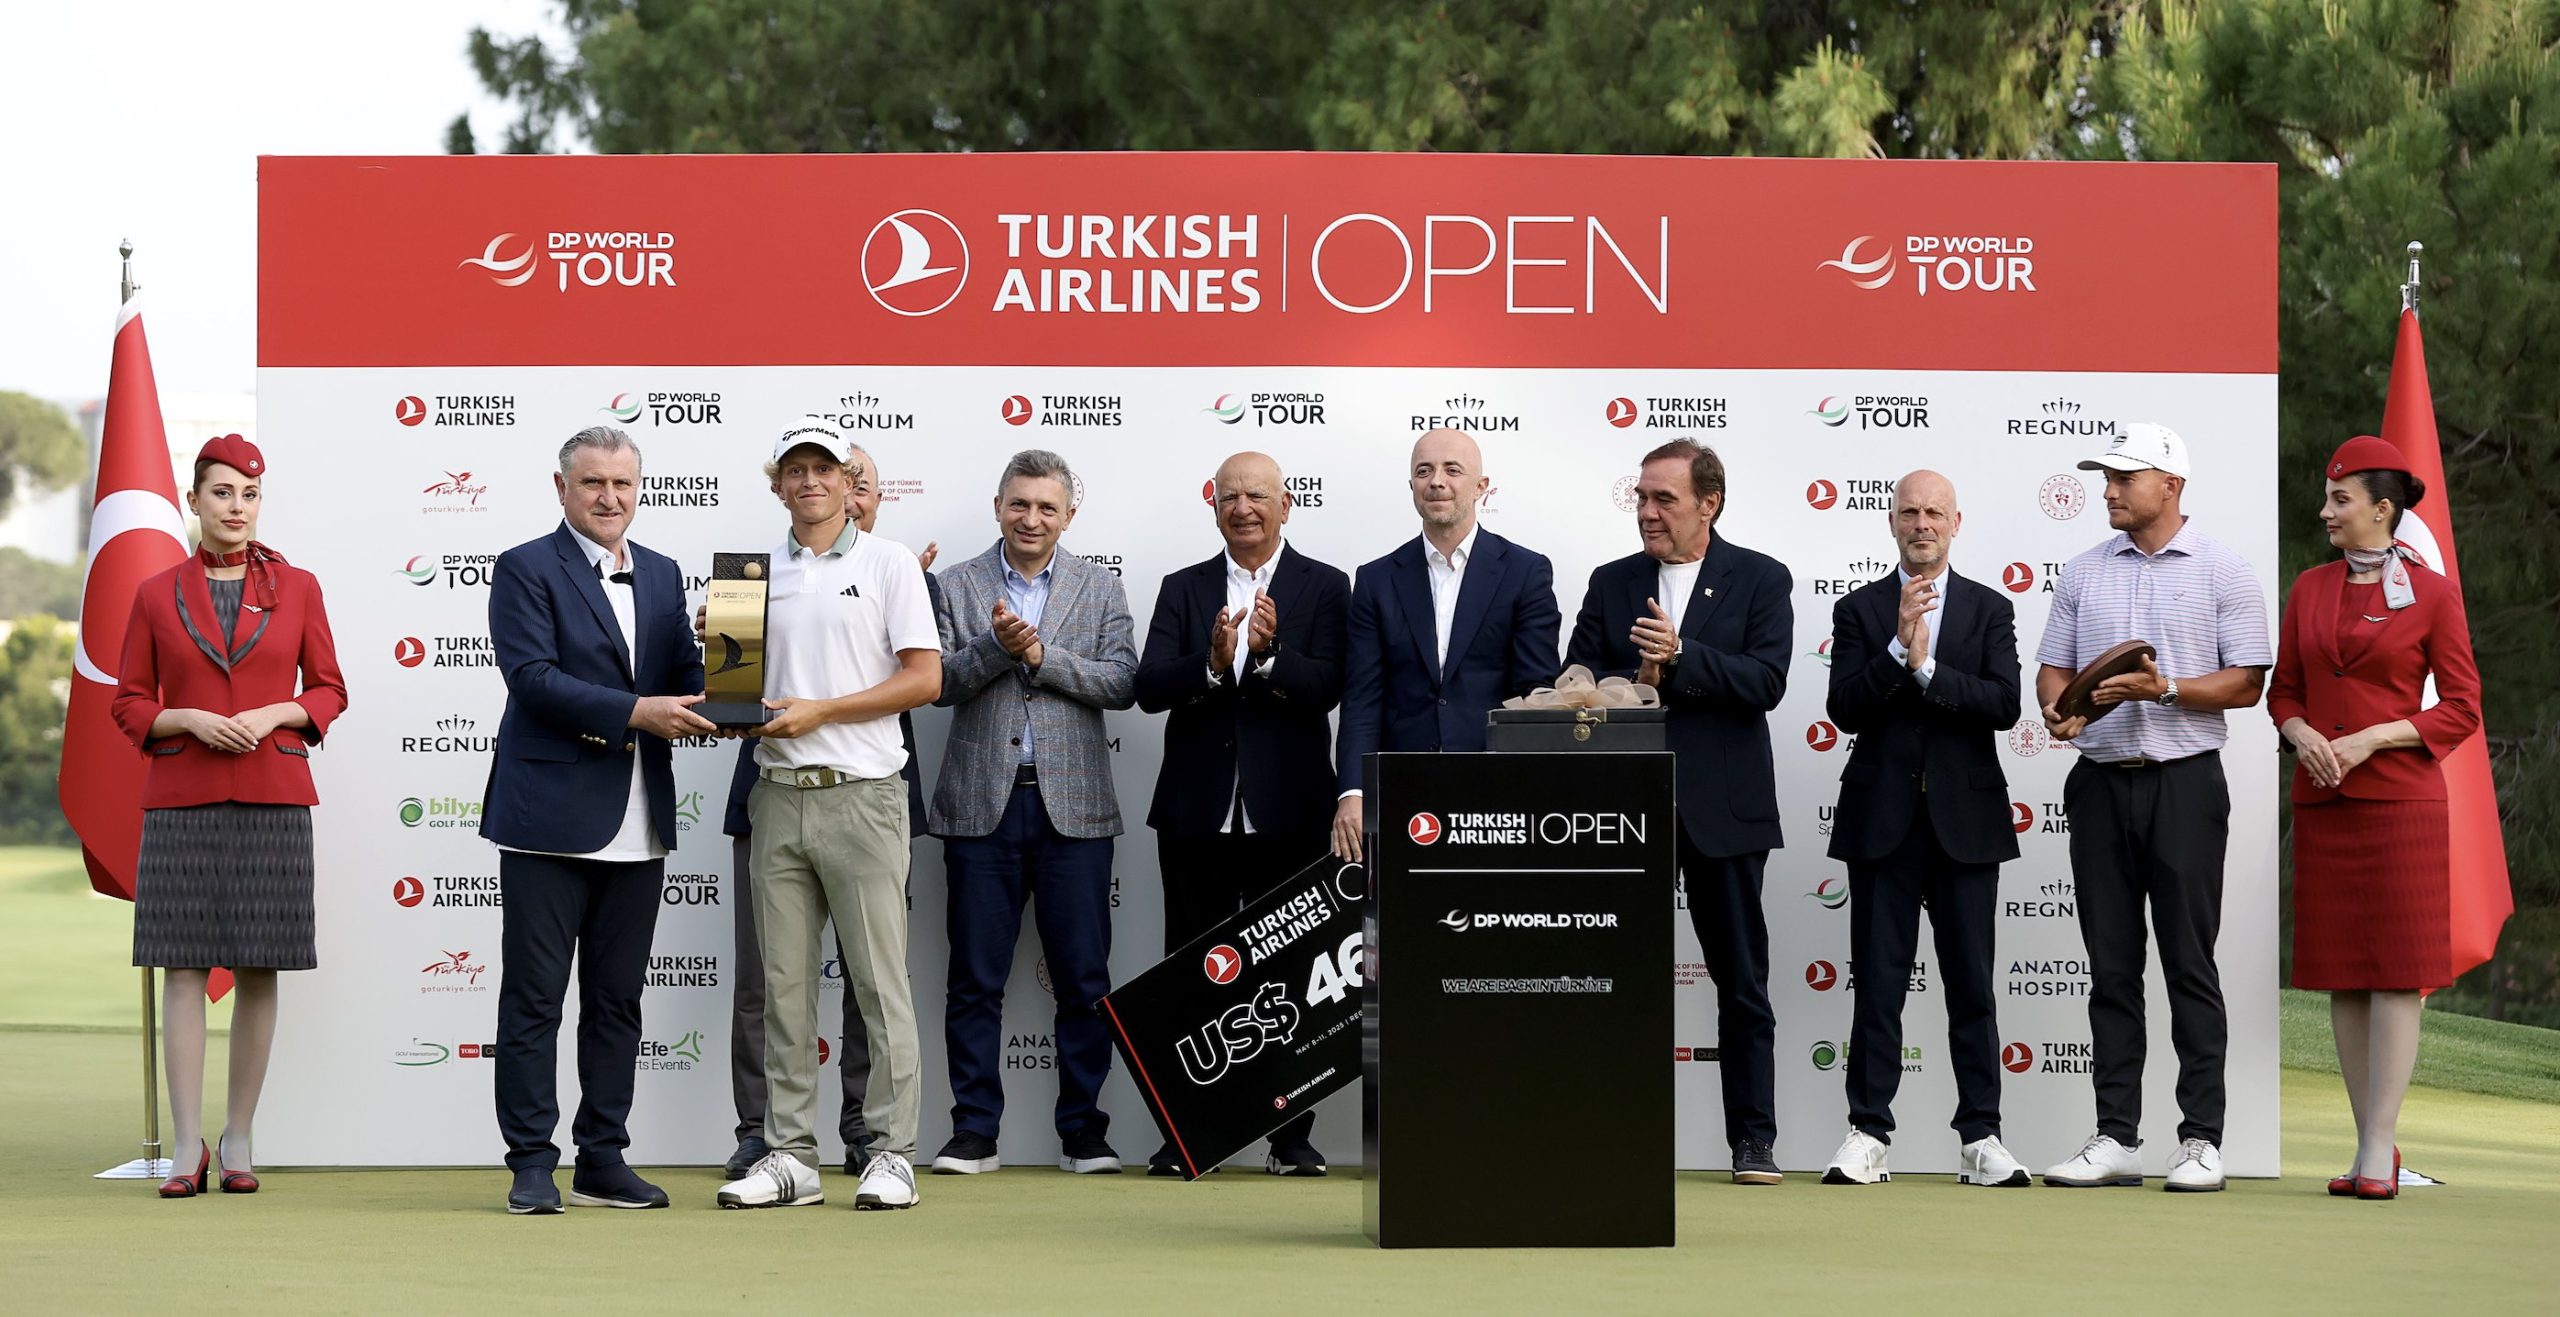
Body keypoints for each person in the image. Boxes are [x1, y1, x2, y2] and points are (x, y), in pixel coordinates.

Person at [2034, 422, 2271, 1193]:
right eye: (2106, 476)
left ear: (2170, 484)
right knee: (2110, 968)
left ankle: (2201, 1137)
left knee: (2188, 965)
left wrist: (2162, 688)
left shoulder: (2225, 569)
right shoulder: (2081, 572)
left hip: (2185, 783)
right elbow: (2054, 671)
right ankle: (2116, 1137)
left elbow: (2246, 684)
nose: (2107, 489)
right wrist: (2058, 712)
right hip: (2100, 783)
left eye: (2123, 477)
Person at [481, 426, 709, 1215]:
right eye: (593, 484)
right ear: (562, 487)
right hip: (547, 820)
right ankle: (532, 1162)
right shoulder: (524, 567)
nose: (609, 498)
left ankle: (603, 1154)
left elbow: (686, 678)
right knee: (536, 997)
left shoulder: (664, 572)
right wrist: (636, 711)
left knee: (617, 1000)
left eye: (622, 484)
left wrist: (729, 657)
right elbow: (532, 678)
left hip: (640, 821)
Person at [112, 435, 346, 1199]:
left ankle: (238, 1133)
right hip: (182, 799)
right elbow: (128, 703)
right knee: (181, 965)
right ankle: (187, 1145)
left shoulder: (300, 586)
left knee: (259, 962)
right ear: (195, 501)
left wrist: (278, 710)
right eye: (221, 493)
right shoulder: (155, 593)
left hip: (274, 796)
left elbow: (329, 691)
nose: (236, 507)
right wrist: (185, 718)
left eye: (248, 494)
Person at [717, 419, 942, 1211]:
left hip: (865, 794)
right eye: (794, 469)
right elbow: (735, 693)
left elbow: (923, 680)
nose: (810, 480)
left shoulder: (888, 563)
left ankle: (891, 1152)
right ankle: (790, 1154)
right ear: (777, 484)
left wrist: (824, 712)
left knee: (880, 983)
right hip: (776, 797)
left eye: (825, 468)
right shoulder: (746, 575)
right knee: (782, 987)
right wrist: (728, 710)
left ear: (851, 483)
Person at [1563, 439, 1789, 1185]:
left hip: (1723, 809)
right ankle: (1602, 1137)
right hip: (1623, 808)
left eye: (1664, 499)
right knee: (1606, 979)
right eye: (1641, 498)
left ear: (1708, 504)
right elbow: (1575, 679)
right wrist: (1634, 676)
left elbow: (1766, 681)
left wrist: (1684, 654)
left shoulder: (1759, 577)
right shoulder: (1611, 580)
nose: (1649, 512)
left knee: (1742, 982)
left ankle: (1753, 1142)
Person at [2269, 436, 2481, 1201]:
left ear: (2382, 510)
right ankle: (2368, 1143)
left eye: (2340, 500)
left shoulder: (2433, 594)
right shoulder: (2309, 588)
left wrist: (2369, 737)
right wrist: (2300, 734)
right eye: (2328, 498)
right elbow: (2283, 691)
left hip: (2402, 803)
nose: (2326, 512)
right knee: (2343, 977)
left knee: (2394, 975)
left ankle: (2379, 1145)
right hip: (2323, 801)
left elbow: (2461, 707)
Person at [1133, 450, 1350, 1177]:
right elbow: (1148, 685)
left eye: (1258, 495)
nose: (1244, 507)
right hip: (1196, 817)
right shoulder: (1183, 587)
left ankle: (1288, 1137)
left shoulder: (1326, 585)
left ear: (1287, 504)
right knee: (1190, 976)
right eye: (1230, 496)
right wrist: (1210, 659)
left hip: (1289, 815)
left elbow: (1328, 686)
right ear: (1214, 506)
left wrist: (1267, 656)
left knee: (1289, 978)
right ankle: (1185, 1132)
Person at [1814, 471, 2028, 1189]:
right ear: (1891, 522)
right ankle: (1867, 1132)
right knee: (1877, 985)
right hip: (1882, 823)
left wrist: (1926, 665)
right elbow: (1844, 706)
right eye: (1909, 511)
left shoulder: (1991, 609)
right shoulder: (1859, 608)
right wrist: (1890, 654)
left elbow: (2003, 704)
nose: (1922, 522)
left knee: (1972, 985)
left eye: (1934, 511)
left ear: (1956, 522)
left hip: (1966, 823)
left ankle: (1981, 1137)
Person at [928, 449, 1137, 1176]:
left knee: (1084, 980)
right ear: (998, 506)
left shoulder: (1099, 587)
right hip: (979, 809)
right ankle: (973, 1132)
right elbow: (938, 683)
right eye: (1020, 504)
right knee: (973, 980)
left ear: (1069, 515)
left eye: (1048, 507)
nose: (1032, 518)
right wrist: (994, 646)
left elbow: (1121, 682)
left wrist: (1042, 654)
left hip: (1073, 812)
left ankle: (1084, 1132)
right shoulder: (953, 585)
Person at [1332, 427, 1559, 862]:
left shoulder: (1525, 572)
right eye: (1424, 471)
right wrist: (1353, 793)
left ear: (1481, 487)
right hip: (1401, 795)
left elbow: (1535, 692)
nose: (1436, 481)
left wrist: (1527, 790)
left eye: (1452, 470)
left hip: (1497, 797)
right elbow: (1362, 697)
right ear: (1412, 486)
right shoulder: (1376, 579)